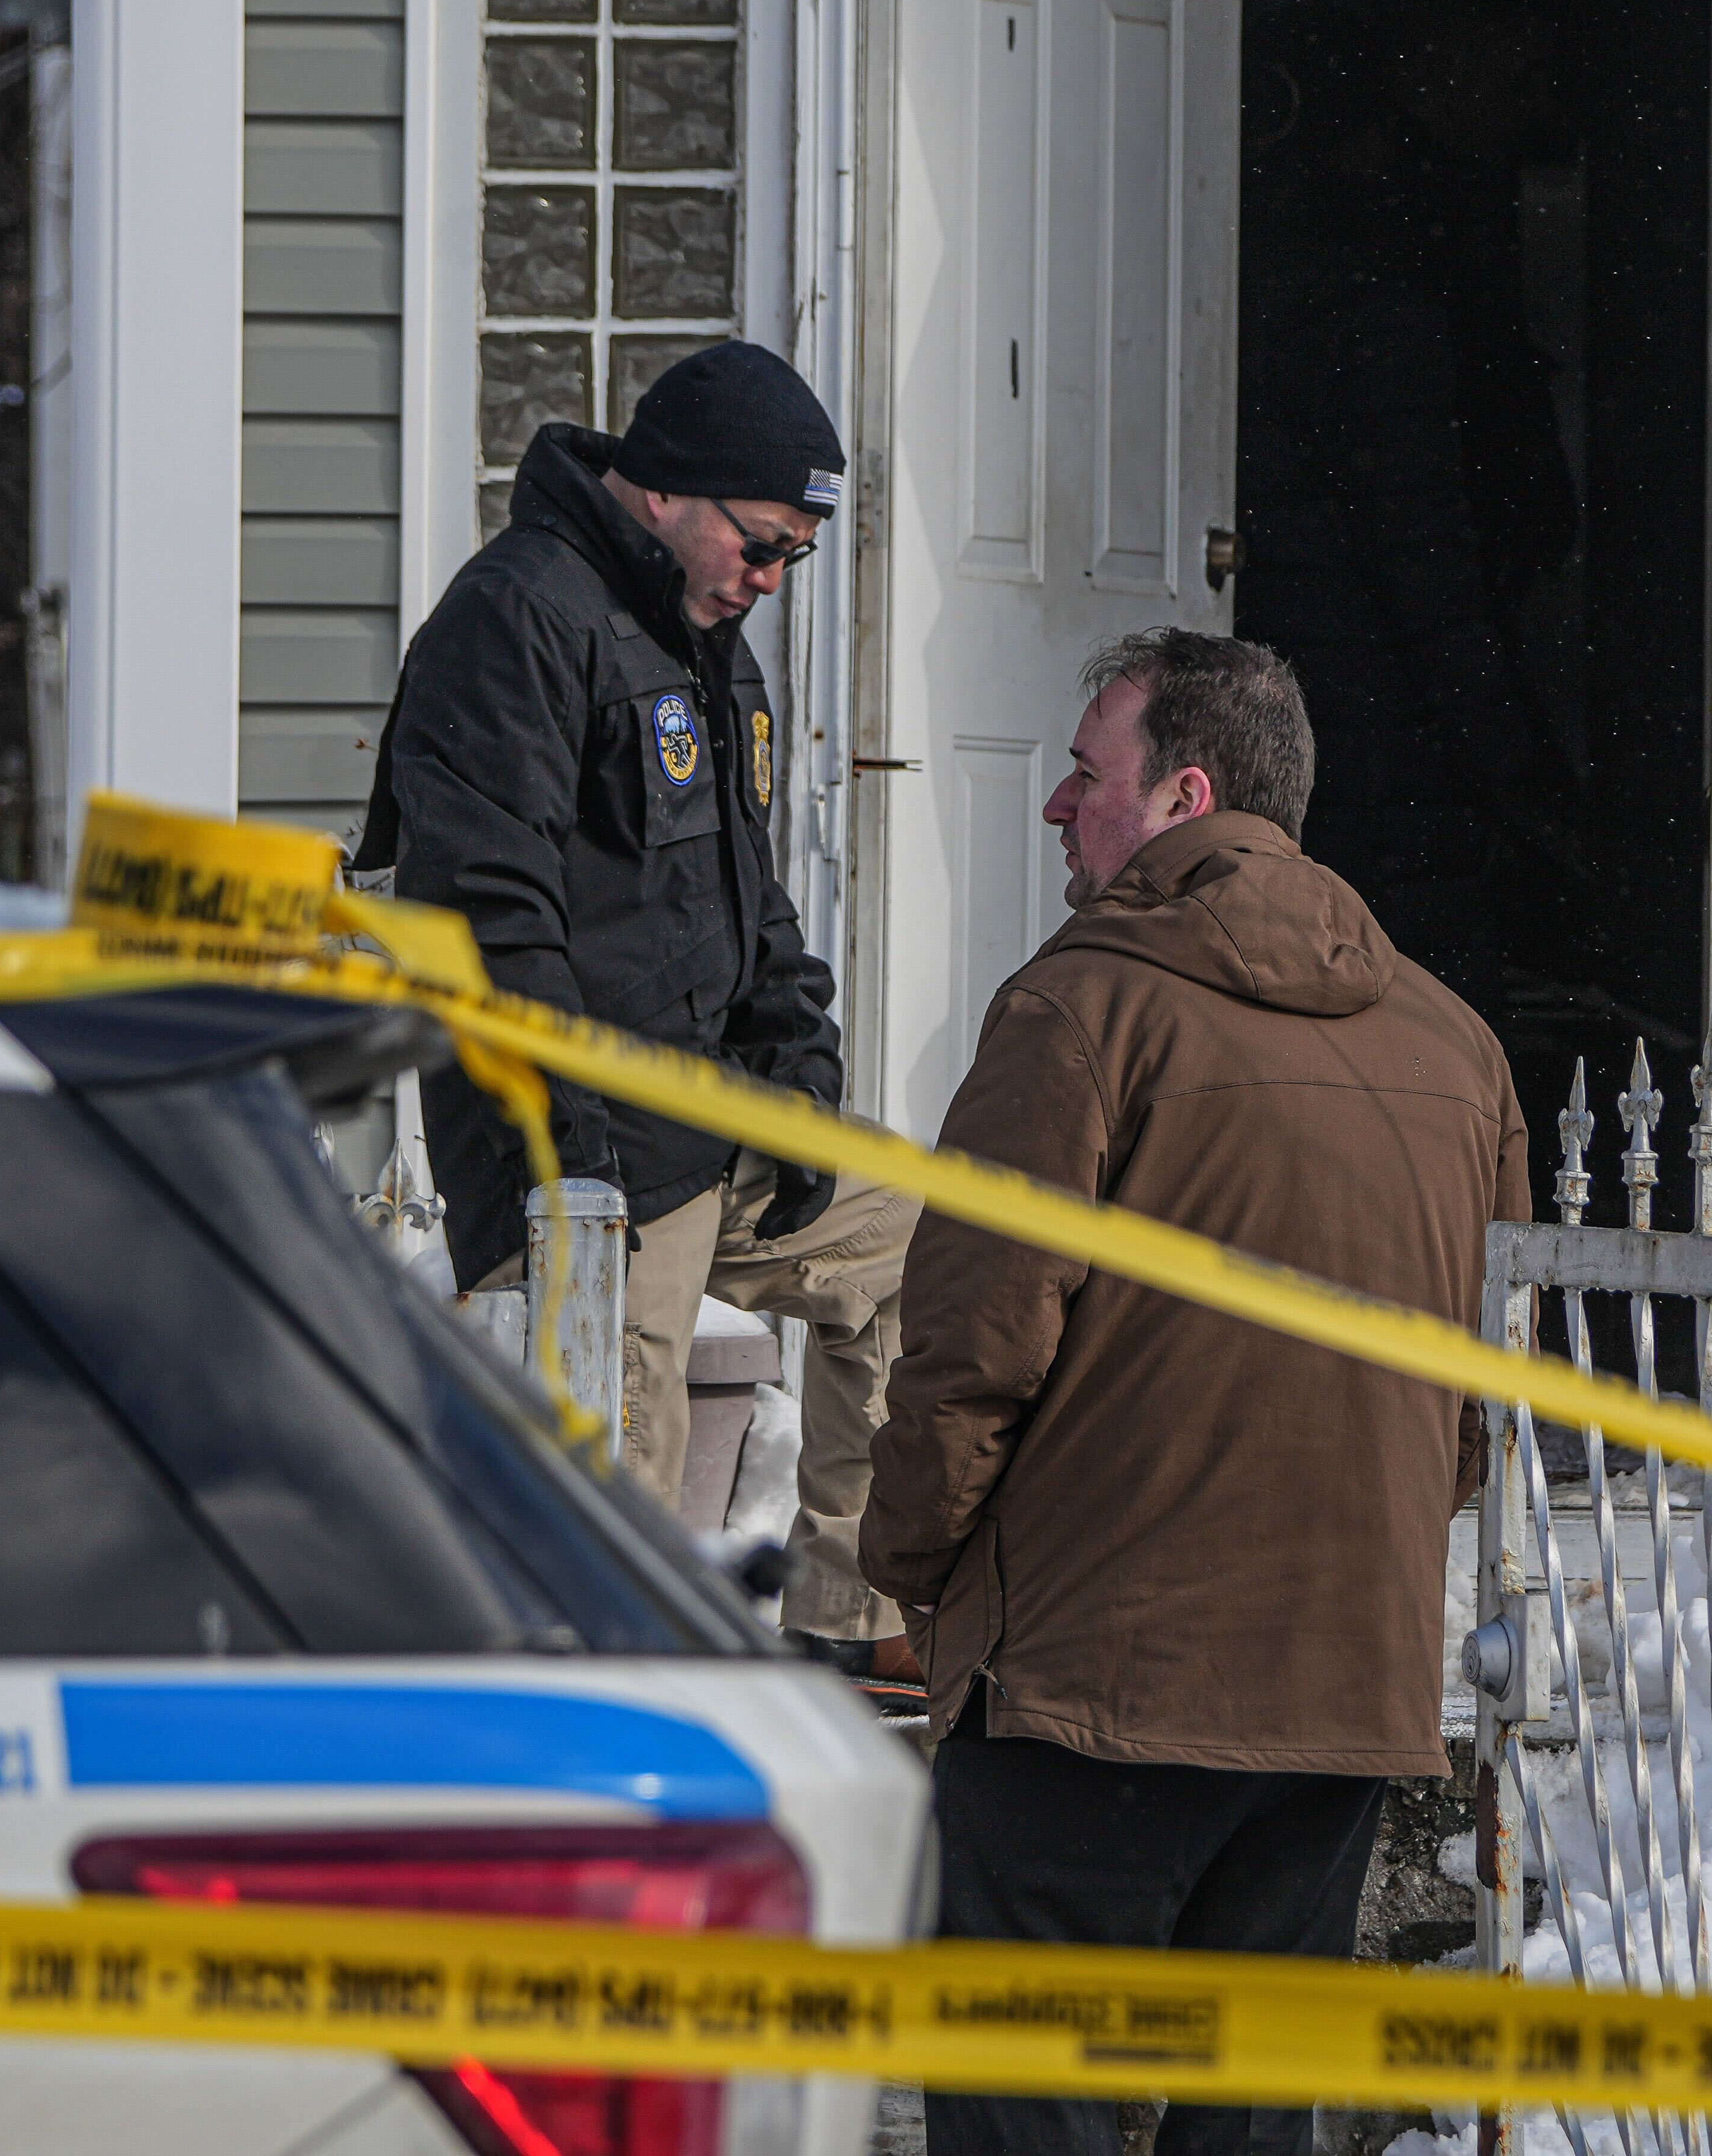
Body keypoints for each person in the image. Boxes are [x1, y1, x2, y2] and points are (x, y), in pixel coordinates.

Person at [861, 627, 1531, 2156]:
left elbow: (974, 1344)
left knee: (1033, 2111)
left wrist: (916, 1569)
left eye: (1085, 774)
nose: (1052, 808)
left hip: (1088, 1690)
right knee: (1253, 2122)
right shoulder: (1456, 1043)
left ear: (1183, 794)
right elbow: (1488, 1386)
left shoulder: (1078, 1014)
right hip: (1338, 1697)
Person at [363, 341, 919, 1673]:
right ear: (664, 490)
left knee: (924, 1250)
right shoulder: (517, 620)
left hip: (706, 1125)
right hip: (576, 1144)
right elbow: (486, 917)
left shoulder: (709, 645)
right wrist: (573, 1153)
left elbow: (754, 906)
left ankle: (861, 1615)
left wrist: (799, 1079)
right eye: (763, 544)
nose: (773, 582)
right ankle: (611, 1718)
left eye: (798, 556)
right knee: (627, 1421)